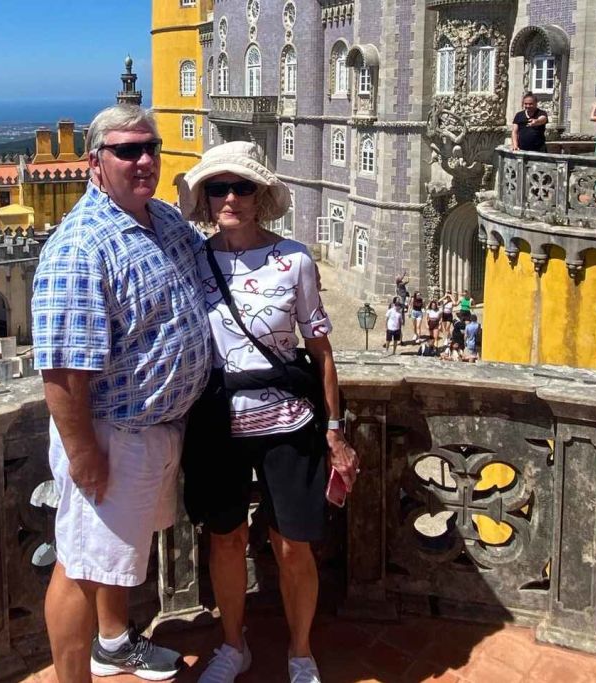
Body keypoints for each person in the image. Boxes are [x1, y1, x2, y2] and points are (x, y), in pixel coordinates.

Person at [31, 104, 211, 683]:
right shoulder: (80, 246)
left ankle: (112, 644)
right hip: (112, 436)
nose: (143, 161)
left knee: (109, 556)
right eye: (127, 151)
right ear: (95, 162)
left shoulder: (163, 220)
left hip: (159, 430)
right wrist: (84, 454)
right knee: (81, 566)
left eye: (150, 148)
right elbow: (63, 370)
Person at [177, 141, 359, 683]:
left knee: (293, 544)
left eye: (242, 187)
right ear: (207, 200)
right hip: (218, 422)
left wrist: (335, 430)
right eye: (218, 188)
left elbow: (321, 351)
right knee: (226, 538)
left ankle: (301, 654)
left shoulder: (295, 260)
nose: (230, 198)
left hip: (288, 421)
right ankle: (234, 646)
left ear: (260, 196)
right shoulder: (192, 260)